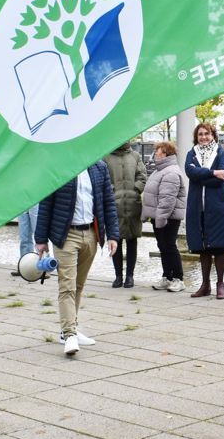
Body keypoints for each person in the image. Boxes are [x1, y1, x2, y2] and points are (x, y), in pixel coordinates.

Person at [35, 161, 120, 355]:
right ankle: (69, 334)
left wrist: (113, 235)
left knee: (78, 285)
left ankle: (70, 327)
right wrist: (40, 239)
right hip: (65, 236)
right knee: (67, 285)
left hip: (90, 233)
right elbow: (46, 203)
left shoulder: (99, 167)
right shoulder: (59, 165)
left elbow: (108, 202)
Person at [184, 122, 224, 299]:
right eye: (200, 134)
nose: (203, 137)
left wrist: (201, 174)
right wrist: (212, 173)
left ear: (213, 135)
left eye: (207, 134)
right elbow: (190, 173)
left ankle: (220, 283)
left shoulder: (220, 152)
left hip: (218, 206)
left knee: (220, 246)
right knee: (203, 246)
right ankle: (205, 284)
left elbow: (221, 178)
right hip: (198, 207)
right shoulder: (192, 153)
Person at [142, 141, 187, 292]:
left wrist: (160, 218)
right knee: (163, 246)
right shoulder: (160, 170)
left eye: (157, 152)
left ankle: (178, 279)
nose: (155, 154)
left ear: (165, 154)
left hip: (168, 217)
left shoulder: (171, 172)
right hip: (159, 216)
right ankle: (167, 277)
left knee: (169, 246)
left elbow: (167, 199)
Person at [104, 141, 148, 288]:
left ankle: (130, 276)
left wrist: (135, 190)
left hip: (132, 204)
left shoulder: (135, 156)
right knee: (115, 239)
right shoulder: (106, 157)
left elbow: (142, 176)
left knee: (132, 239)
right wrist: (110, 192)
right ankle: (118, 276)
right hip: (113, 205)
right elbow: (103, 179)